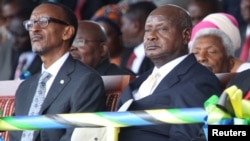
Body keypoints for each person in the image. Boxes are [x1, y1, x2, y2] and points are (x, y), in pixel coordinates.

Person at [116, 4, 222, 141]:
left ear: (186, 35)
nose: (151, 36)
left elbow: (185, 138)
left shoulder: (198, 81)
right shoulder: (143, 79)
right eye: (148, 30)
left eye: (161, 29)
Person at [9, 2, 106, 141]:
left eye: (43, 22)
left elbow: (77, 137)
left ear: (67, 32)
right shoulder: (25, 87)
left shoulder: (86, 81)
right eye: (30, 24)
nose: (34, 29)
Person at [119, 1, 156, 75]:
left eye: (123, 24)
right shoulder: (126, 55)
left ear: (135, 26)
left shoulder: (157, 56)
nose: (121, 30)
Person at [8, 7, 42, 79]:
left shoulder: (44, 59)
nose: (14, 41)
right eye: (12, 34)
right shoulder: (16, 53)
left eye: (20, 36)